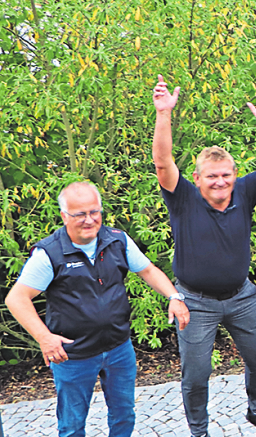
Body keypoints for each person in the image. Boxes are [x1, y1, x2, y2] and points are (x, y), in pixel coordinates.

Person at [151, 77, 256, 436]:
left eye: (226, 175)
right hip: (195, 302)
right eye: (212, 177)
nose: (220, 182)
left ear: (234, 175)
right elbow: (163, 161)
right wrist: (163, 114)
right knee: (196, 377)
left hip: (241, 297)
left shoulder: (244, 190)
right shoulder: (183, 197)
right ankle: (199, 431)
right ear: (197, 178)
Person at [5, 182, 190, 437]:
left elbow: (147, 270)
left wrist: (174, 296)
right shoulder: (49, 253)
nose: (89, 220)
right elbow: (17, 298)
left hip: (118, 348)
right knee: (72, 425)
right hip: (73, 355)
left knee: (124, 415)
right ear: (64, 216)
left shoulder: (117, 240)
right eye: (80, 214)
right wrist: (44, 338)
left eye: (94, 212)